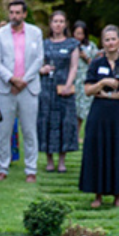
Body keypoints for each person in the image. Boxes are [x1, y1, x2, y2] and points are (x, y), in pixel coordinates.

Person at [79, 25, 119, 208]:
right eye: (107, 40)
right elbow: (88, 90)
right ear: (102, 43)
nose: (110, 43)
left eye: (113, 39)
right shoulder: (96, 64)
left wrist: (112, 95)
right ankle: (97, 195)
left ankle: (118, 195)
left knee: (118, 150)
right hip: (98, 114)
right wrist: (103, 82)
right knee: (98, 151)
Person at [0, 0, 44, 182]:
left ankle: (31, 169)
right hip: (6, 87)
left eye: (18, 13)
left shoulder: (35, 33)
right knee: (4, 130)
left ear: (24, 14)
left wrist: (24, 80)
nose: (14, 16)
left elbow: (39, 60)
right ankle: (2, 167)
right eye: (11, 12)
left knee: (29, 130)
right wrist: (11, 79)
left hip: (28, 88)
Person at [37, 10, 79, 173]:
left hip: (64, 88)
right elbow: (36, 64)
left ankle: (62, 160)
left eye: (61, 21)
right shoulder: (44, 43)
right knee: (46, 121)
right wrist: (42, 69)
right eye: (55, 21)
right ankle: (49, 159)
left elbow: (74, 66)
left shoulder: (72, 44)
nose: (58, 24)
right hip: (46, 88)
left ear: (66, 24)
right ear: (50, 24)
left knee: (65, 122)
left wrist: (68, 85)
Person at [72, 20, 98, 140]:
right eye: (76, 33)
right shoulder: (69, 45)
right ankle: (74, 135)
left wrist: (85, 56)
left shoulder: (91, 46)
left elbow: (96, 64)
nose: (79, 37)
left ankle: (84, 134)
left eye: (81, 34)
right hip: (73, 81)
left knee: (85, 109)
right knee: (74, 109)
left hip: (86, 80)